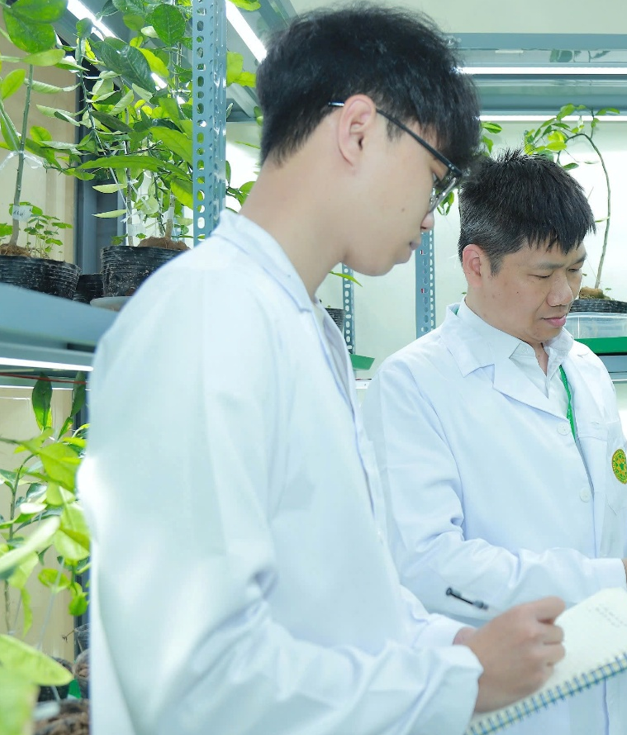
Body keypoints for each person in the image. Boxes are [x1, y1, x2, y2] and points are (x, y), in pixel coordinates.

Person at [78, 10, 567, 735]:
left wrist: (458, 647)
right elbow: (194, 683)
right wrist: (459, 678)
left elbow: (347, 597)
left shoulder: (305, 329)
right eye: (434, 178)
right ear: (359, 130)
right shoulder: (207, 316)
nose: (429, 217)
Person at [363, 150, 627, 735]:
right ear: (477, 264)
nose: (565, 294)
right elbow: (426, 565)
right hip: (507, 709)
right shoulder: (414, 382)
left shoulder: (584, 367)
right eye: (542, 274)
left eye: (575, 269)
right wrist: (617, 582)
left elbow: (613, 503)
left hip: (608, 691)